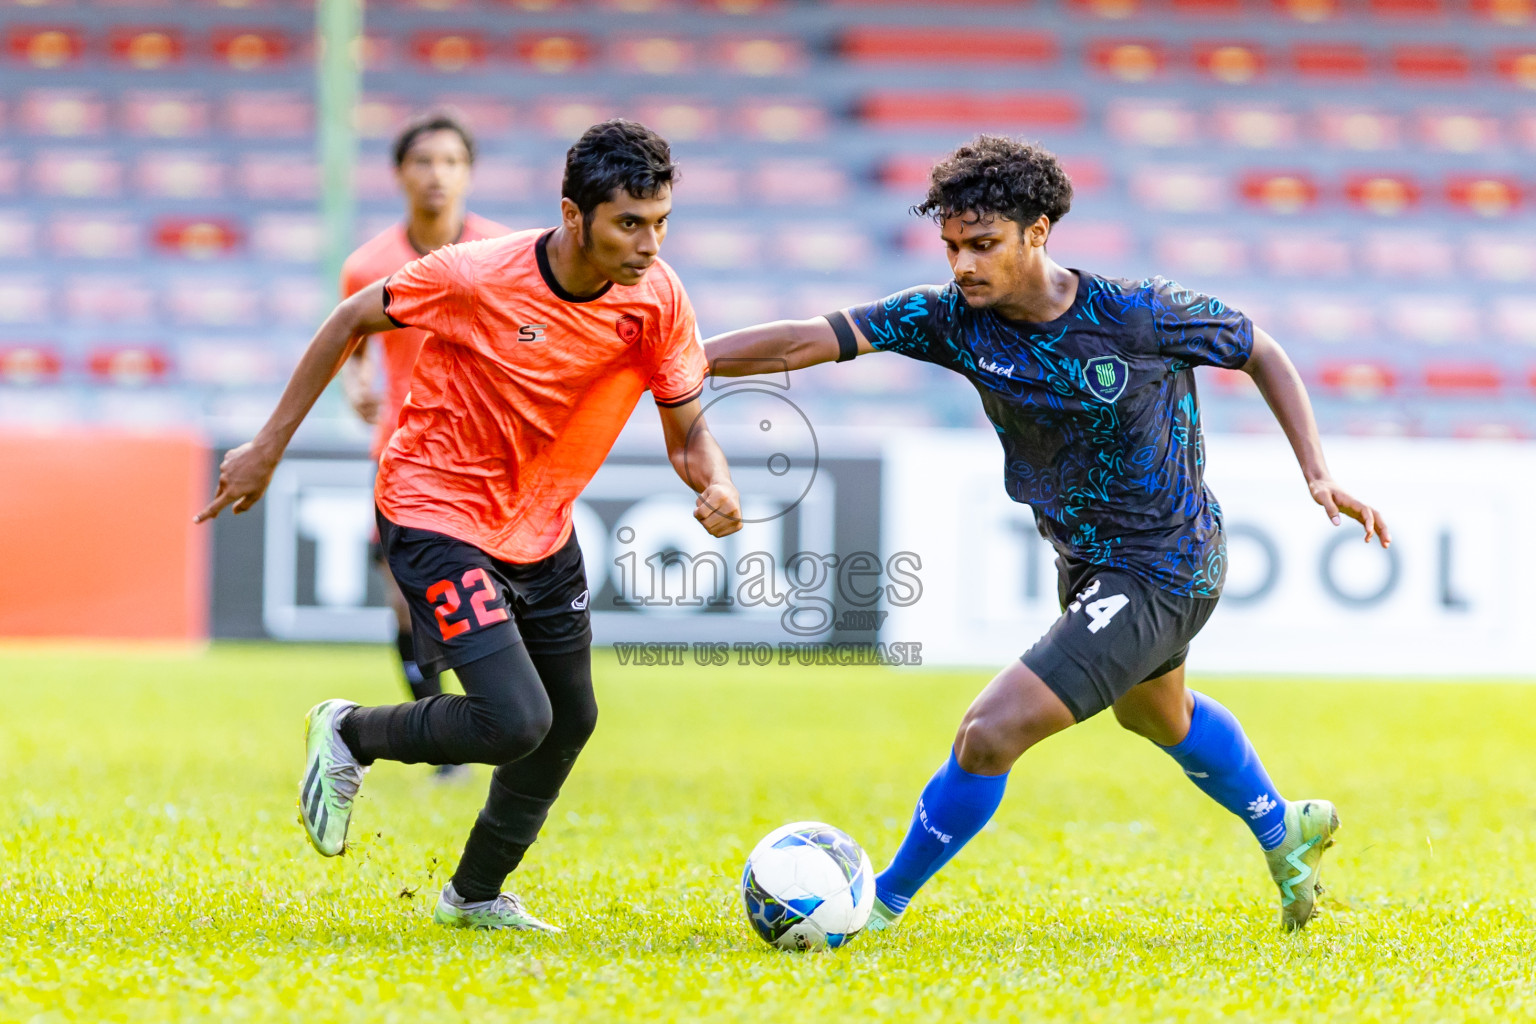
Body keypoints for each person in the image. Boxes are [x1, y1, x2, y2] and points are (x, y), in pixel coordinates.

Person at [703, 135, 1388, 933]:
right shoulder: (953, 320)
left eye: (983, 244)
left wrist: (1316, 469)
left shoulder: (1137, 313)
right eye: (952, 245)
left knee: (989, 733)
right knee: (1156, 716)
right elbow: (805, 340)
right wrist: (679, 362)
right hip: (1090, 566)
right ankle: (1285, 828)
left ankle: (877, 904)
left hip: (1166, 562)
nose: (962, 264)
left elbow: (1258, 349)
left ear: (1038, 232)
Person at [197, 119, 742, 931]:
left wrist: (717, 479)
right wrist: (269, 446)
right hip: (431, 506)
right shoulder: (476, 274)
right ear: (573, 213)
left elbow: (686, 427)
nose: (650, 243)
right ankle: (349, 731)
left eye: (661, 222)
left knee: (571, 722)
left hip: (541, 526)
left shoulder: (659, 297)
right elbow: (351, 318)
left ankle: (475, 895)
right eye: (630, 223)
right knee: (515, 719)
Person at [339, 113, 509, 772]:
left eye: (450, 161)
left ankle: (494, 717)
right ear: (399, 174)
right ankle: (444, 741)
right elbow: (351, 349)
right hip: (403, 454)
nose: (436, 175)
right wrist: (356, 385)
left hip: (486, 455)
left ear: (468, 172)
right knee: (408, 603)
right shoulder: (367, 266)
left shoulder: (503, 253)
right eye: (423, 162)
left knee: (491, 594)